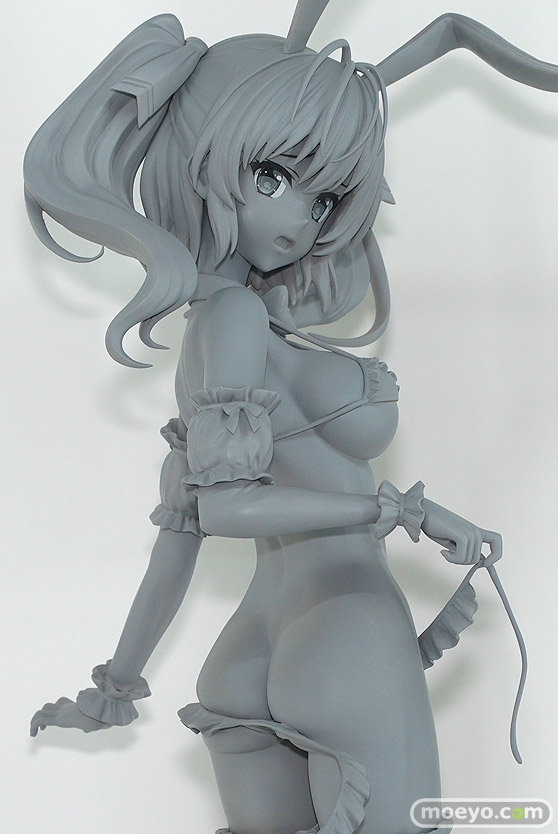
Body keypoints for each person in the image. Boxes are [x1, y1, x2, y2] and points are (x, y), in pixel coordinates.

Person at [25, 3, 556, 833]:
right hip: (345, 627)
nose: (304, 218)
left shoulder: (216, 329)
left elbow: (180, 533)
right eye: (274, 177)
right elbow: (227, 508)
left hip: (246, 656)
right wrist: (403, 511)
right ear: (207, 162)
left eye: (326, 197)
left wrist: (116, 686)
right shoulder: (234, 317)